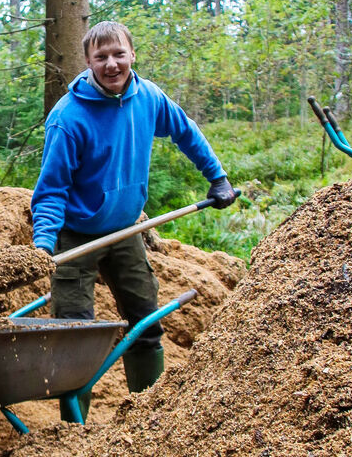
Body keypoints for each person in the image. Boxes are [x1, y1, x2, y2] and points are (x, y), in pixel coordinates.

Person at [31, 21, 236, 421]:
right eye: (101, 57)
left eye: (118, 54)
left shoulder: (148, 98)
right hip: (75, 237)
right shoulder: (68, 119)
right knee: (75, 338)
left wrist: (218, 177)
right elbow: (51, 192)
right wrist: (43, 246)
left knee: (145, 325)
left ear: (132, 55)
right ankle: (75, 434)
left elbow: (186, 133)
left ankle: (150, 419)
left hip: (127, 231)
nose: (111, 64)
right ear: (88, 62)